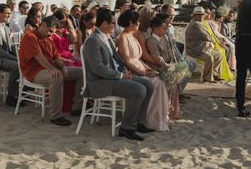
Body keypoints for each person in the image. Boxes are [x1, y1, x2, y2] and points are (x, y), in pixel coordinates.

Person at [82, 9, 155, 141]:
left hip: (115, 77)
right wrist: (121, 76)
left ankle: (139, 122)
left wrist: (126, 72)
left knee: (149, 84)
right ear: (104, 24)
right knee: (139, 90)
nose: (115, 26)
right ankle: (127, 128)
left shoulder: (107, 38)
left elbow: (117, 59)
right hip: (100, 82)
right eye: (112, 23)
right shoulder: (92, 41)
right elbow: (98, 69)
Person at [18, 16, 84, 126]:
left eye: (52, 32)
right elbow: (38, 56)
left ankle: (77, 107)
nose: (50, 34)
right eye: (49, 30)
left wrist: (63, 67)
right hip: (34, 71)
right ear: (43, 25)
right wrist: (53, 69)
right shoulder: (30, 37)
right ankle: (56, 116)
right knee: (56, 77)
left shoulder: (49, 38)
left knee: (81, 72)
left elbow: (56, 57)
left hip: (50, 68)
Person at [116, 10, 170, 131]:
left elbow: (138, 58)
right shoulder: (122, 38)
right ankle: (146, 119)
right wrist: (144, 73)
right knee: (156, 83)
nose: (139, 23)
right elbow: (128, 61)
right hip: (133, 71)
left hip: (140, 68)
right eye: (137, 21)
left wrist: (148, 69)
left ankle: (149, 119)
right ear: (131, 22)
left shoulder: (132, 36)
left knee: (159, 81)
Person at [146, 17, 193, 117]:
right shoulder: (151, 41)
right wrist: (168, 67)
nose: (165, 30)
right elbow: (157, 58)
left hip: (168, 65)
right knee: (172, 81)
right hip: (159, 68)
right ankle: (169, 110)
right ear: (155, 28)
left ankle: (172, 109)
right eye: (163, 28)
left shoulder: (164, 38)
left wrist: (175, 64)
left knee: (186, 68)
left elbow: (171, 53)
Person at [185, 6, 222, 83]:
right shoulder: (196, 24)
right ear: (194, 15)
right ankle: (207, 78)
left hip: (200, 48)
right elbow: (206, 36)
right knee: (209, 58)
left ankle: (214, 74)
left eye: (202, 14)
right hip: (194, 50)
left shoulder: (198, 22)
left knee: (219, 55)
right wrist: (215, 41)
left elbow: (207, 35)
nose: (201, 16)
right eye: (199, 14)